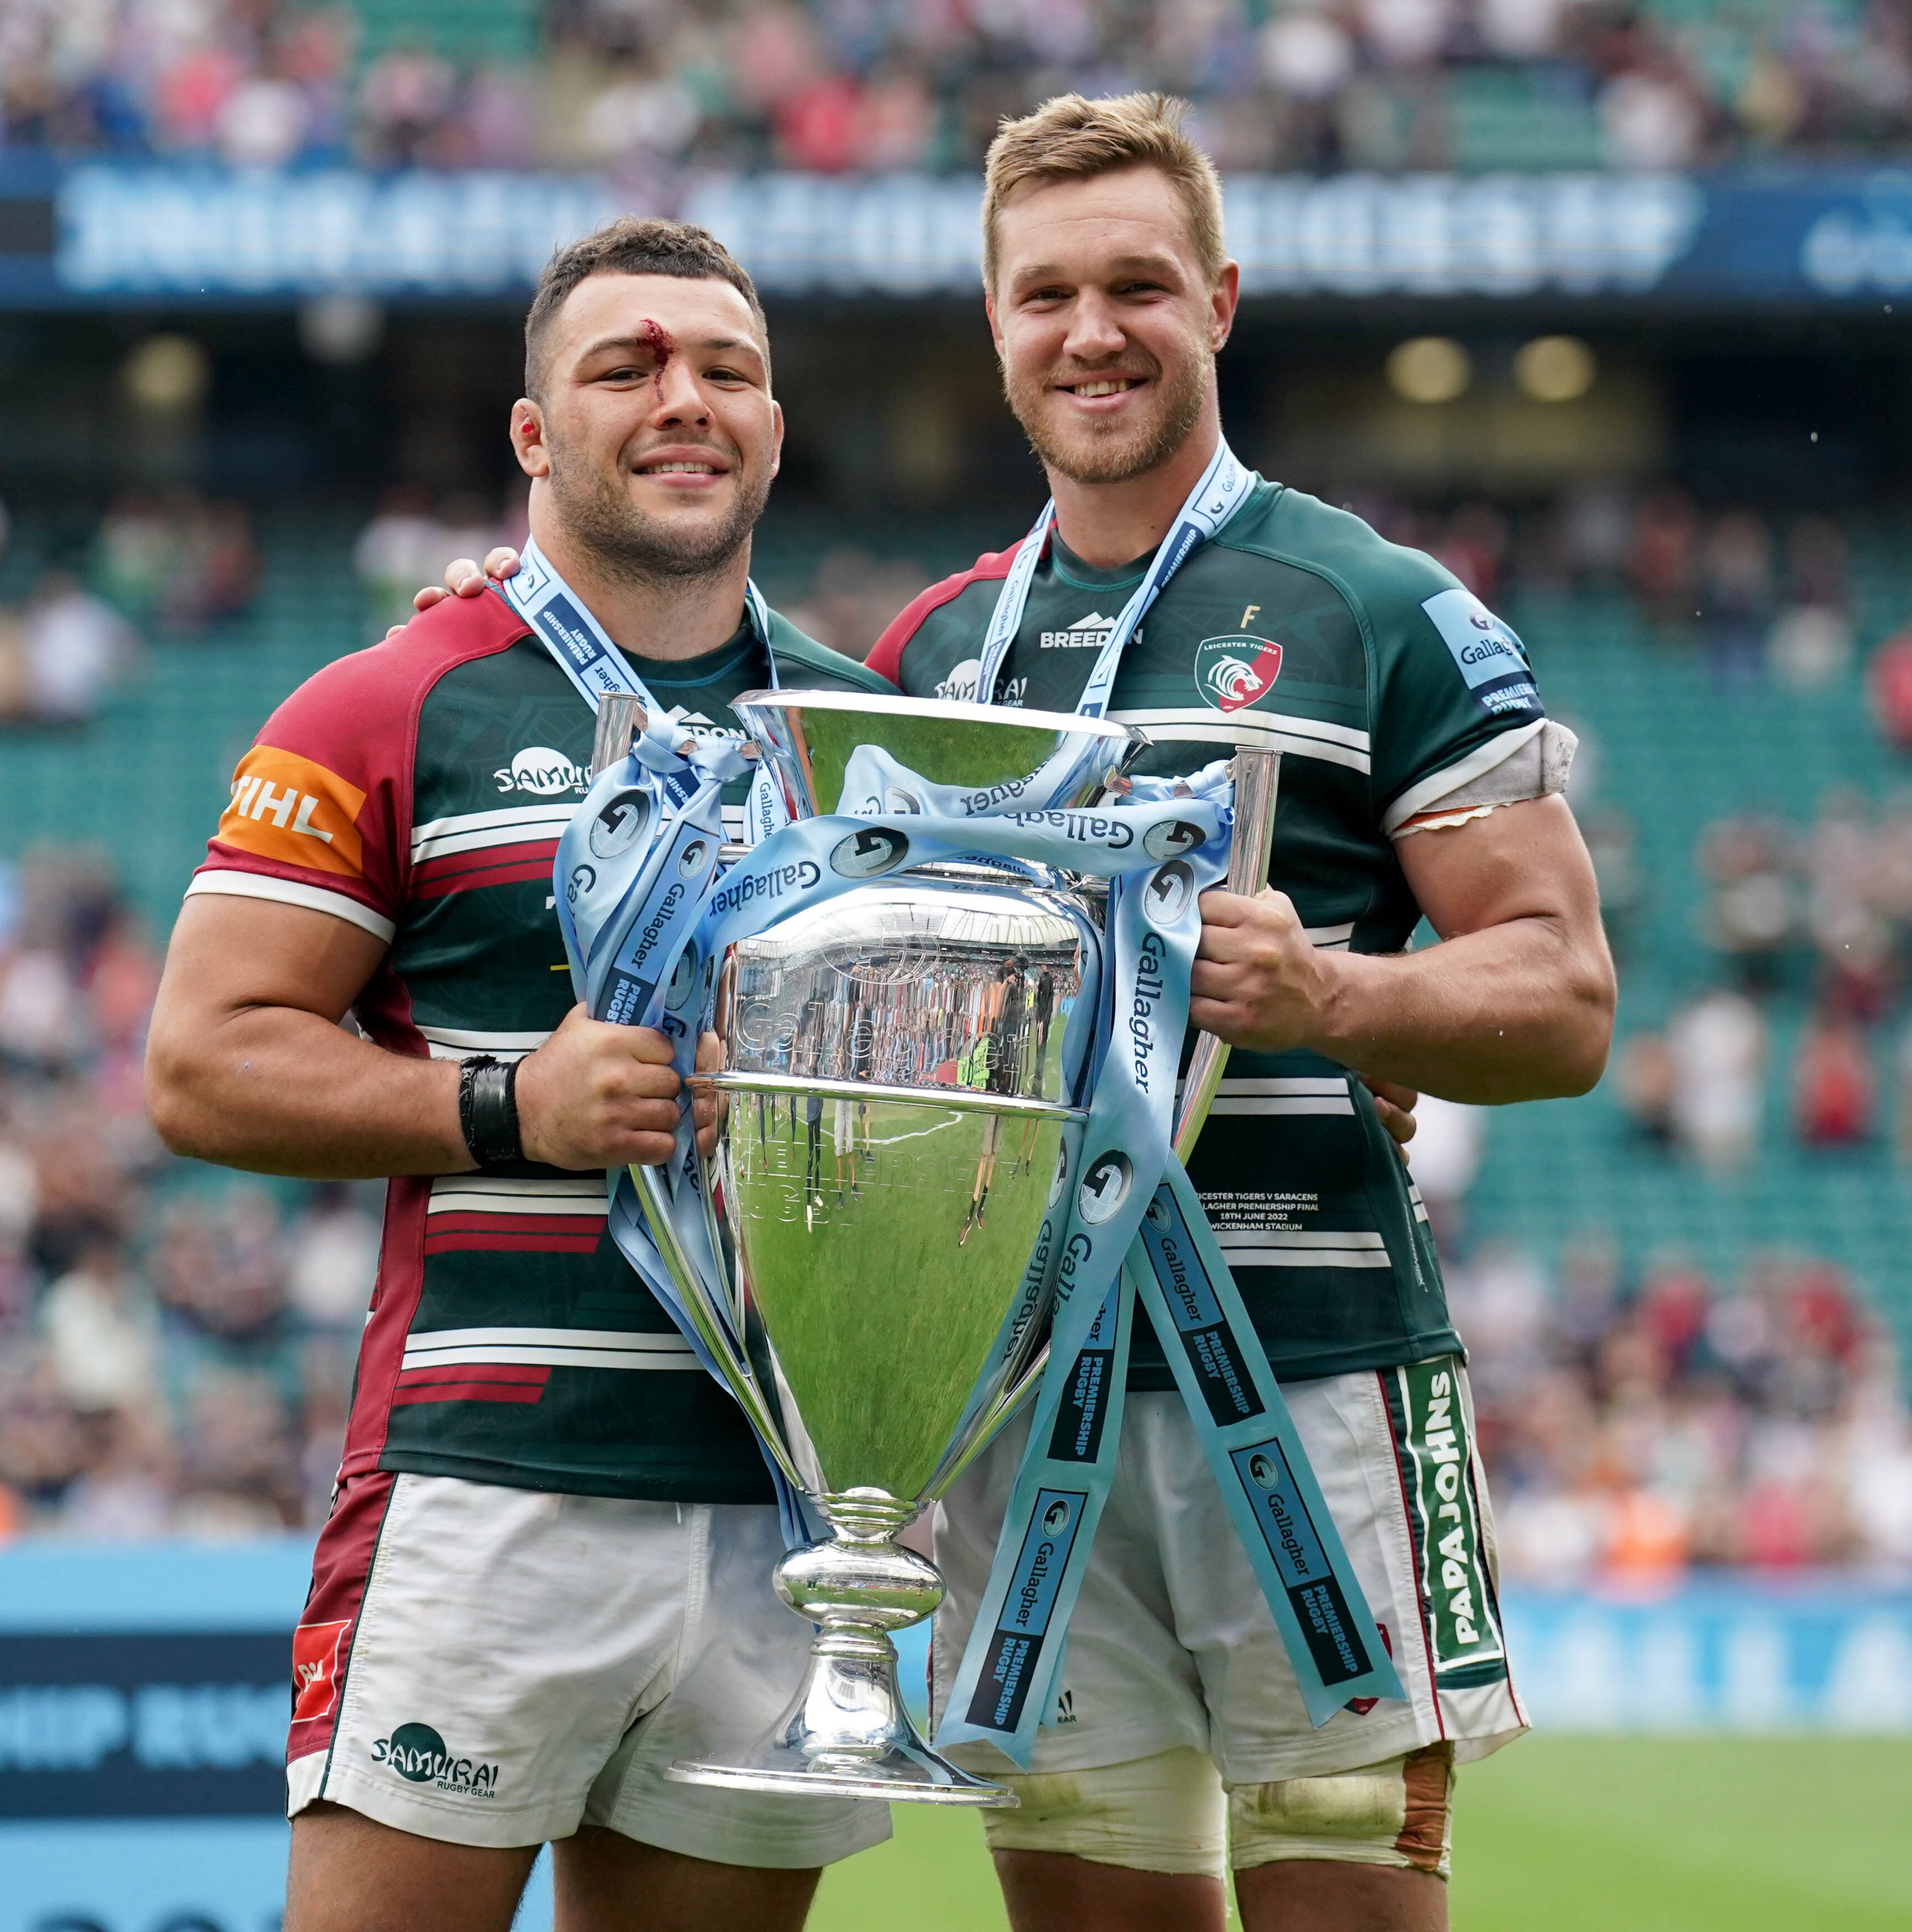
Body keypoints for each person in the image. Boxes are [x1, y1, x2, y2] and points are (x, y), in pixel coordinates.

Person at [405, 95, 1607, 1932]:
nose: (1091, 331)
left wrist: (1339, 992)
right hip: (1012, 1407)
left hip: (1309, 1380)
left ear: (1218, 297)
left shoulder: (1378, 607)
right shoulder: (928, 658)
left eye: (1137, 284)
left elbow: (1563, 994)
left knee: (1345, 1901)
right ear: (994, 326)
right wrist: (515, 594)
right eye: (1044, 293)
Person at [143, 218, 897, 1932]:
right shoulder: (386, 702)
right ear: (533, 434)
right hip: (490, 1492)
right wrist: (506, 1108)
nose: (682, 400)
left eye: (725, 370)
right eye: (624, 367)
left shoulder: (871, 742)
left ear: (775, 425)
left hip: (788, 1500)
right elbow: (199, 1065)